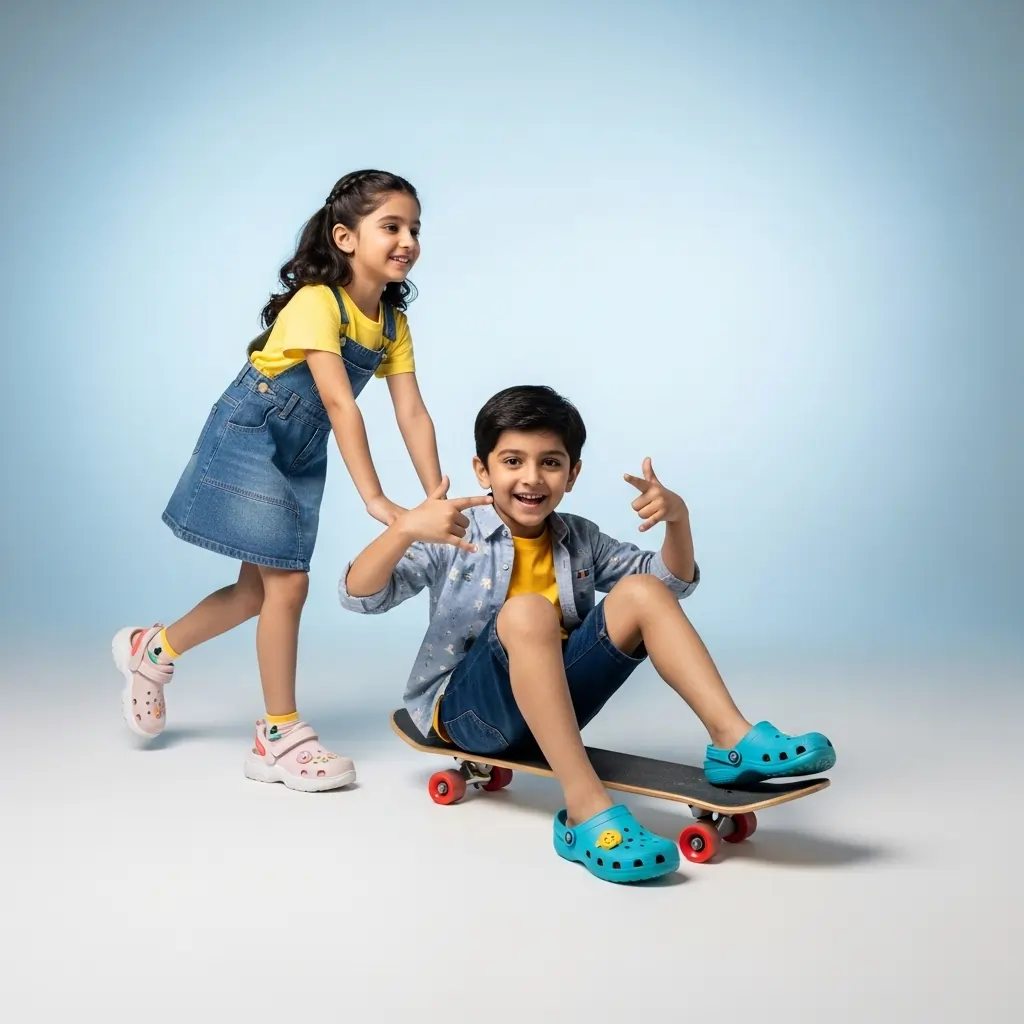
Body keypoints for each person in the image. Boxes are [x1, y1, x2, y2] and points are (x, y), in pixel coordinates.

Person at [338, 384, 836, 882]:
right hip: (470, 714)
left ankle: (732, 740)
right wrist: (402, 529)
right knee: (528, 612)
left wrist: (678, 521)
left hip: (551, 705)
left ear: (572, 474)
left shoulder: (579, 537)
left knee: (642, 590)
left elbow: (670, 585)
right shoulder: (455, 530)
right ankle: (583, 806)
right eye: (512, 461)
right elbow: (360, 595)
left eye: (550, 463)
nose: (531, 478)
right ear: (482, 470)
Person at [113, 169, 444, 793]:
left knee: (255, 594)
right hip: (251, 433)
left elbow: (412, 411)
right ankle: (278, 735)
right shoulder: (318, 303)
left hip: (300, 447)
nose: (407, 241)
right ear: (344, 237)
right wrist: (375, 498)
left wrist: (434, 497)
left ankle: (151, 651)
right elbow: (341, 403)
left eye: (414, 229)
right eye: (391, 226)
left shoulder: (393, 324)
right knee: (288, 584)